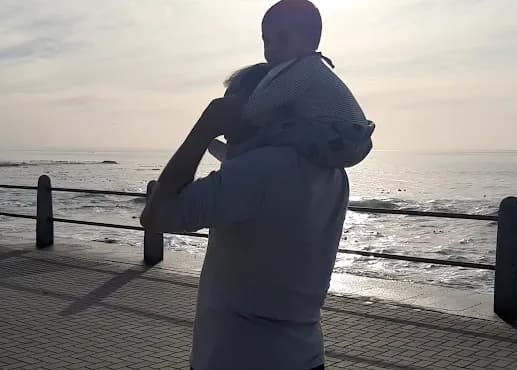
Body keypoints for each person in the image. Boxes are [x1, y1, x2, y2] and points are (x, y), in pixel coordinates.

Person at [140, 1, 374, 369]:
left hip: (237, 356)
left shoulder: (258, 173)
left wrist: (203, 128)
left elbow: (156, 215)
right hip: (305, 356)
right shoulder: (331, 174)